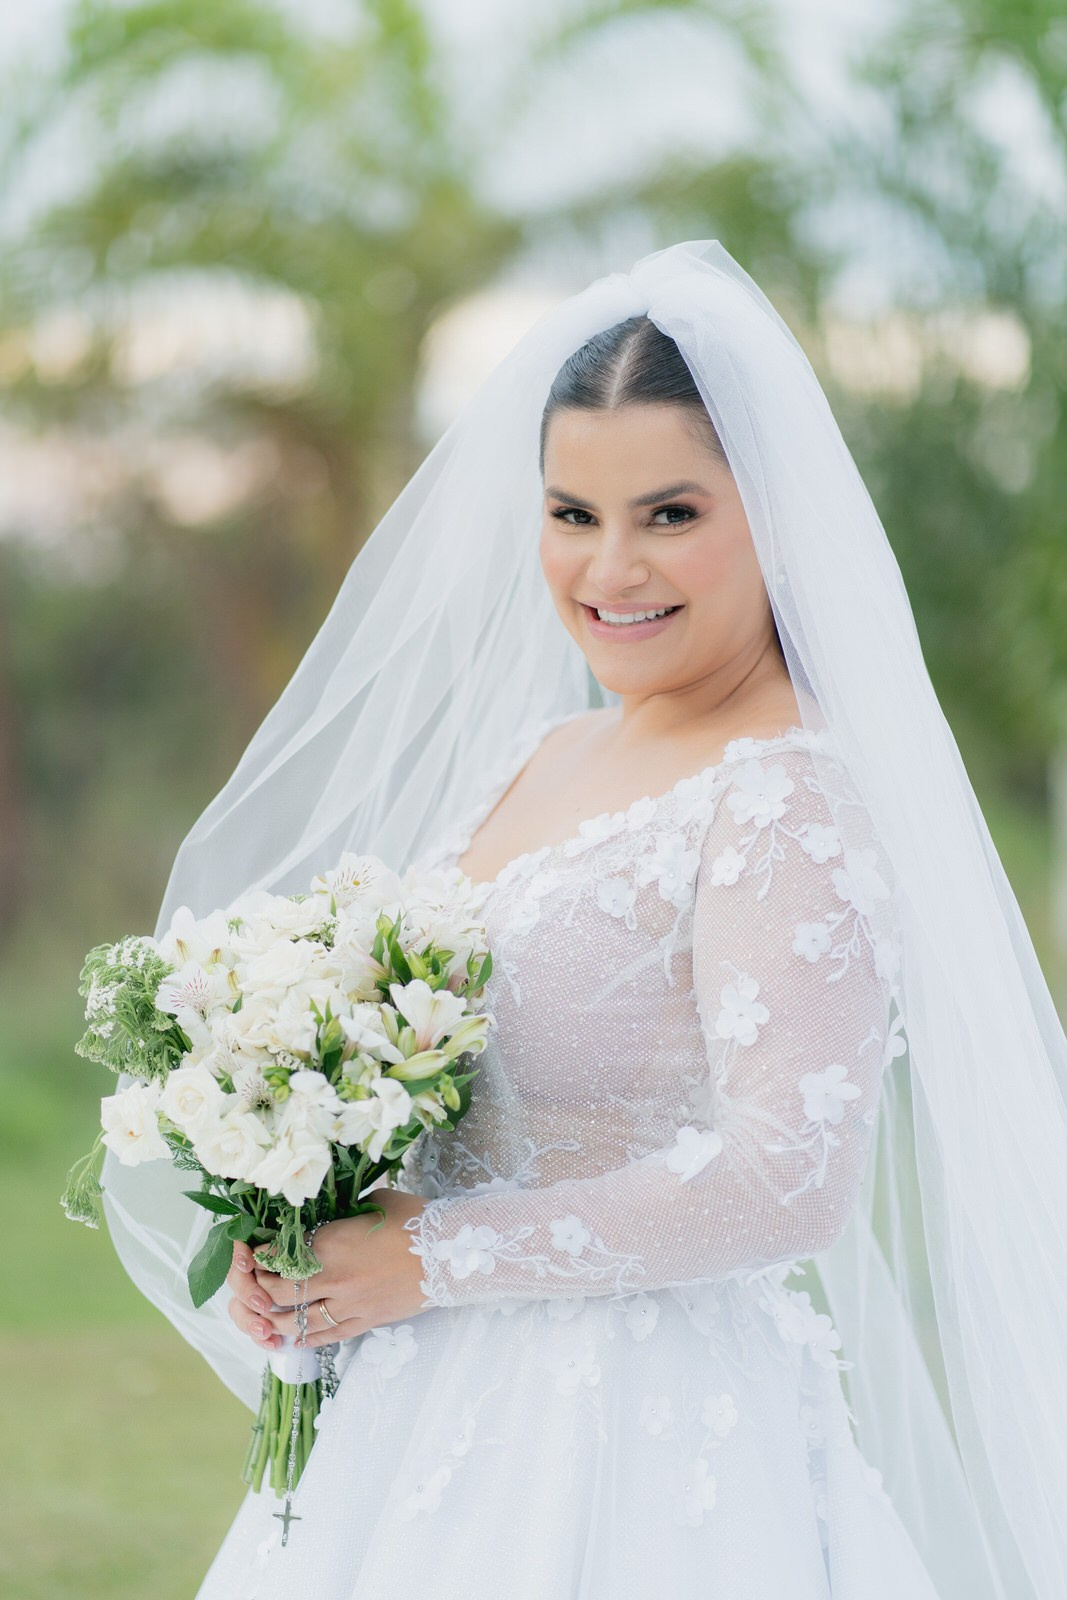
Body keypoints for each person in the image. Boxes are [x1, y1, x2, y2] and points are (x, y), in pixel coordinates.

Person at [101, 241, 1067, 1600]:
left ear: (776, 518)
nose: (611, 566)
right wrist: (325, 1220)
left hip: (640, 1440)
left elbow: (790, 1178)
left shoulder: (784, 796)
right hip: (420, 1412)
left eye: (670, 514)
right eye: (572, 513)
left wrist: (431, 1258)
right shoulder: (541, 754)